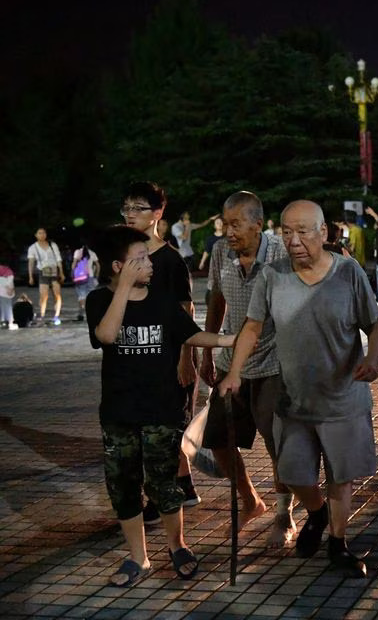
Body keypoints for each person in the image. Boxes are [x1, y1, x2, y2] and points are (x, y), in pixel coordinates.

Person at [220, 200, 378, 578]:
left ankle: (339, 543)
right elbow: (252, 327)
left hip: (342, 397)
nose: (294, 240)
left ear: (323, 233)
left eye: (303, 231)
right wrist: (234, 373)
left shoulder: (348, 273)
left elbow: (374, 324)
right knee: (293, 473)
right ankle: (316, 512)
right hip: (294, 400)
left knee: (341, 477)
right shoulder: (272, 275)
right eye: (286, 232)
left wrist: (373, 359)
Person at [86, 225, 235, 588]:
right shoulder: (99, 301)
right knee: (123, 485)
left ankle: (177, 546)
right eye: (139, 259)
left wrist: (230, 339)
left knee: (165, 484)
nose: (148, 263)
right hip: (119, 412)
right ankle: (139, 557)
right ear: (118, 266)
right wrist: (123, 290)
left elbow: (191, 333)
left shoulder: (163, 299)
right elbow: (105, 336)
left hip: (162, 409)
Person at [199, 191, 296, 548]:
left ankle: (285, 514)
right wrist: (208, 351)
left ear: (258, 224)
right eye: (225, 224)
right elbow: (216, 299)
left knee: (278, 445)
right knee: (218, 441)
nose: (228, 231)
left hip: (273, 363)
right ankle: (249, 499)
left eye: (236, 224)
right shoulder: (223, 253)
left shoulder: (281, 254)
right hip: (229, 363)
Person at [122, 182, 202, 521]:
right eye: (125, 208)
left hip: (169, 358)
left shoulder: (170, 260)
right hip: (137, 356)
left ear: (157, 214)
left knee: (164, 431)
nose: (129, 215)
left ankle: (161, 497)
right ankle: (184, 488)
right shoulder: (124, 257)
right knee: (156, 428)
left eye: (138, 208)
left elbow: (186, 311)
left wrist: (186, 359)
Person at [27, 228, 64, 325]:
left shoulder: (53, 245)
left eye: (43, 233)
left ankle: (56, 316)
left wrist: (61, 272)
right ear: (36, 235)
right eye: (39, 233)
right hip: (42, 272)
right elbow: (31, 262)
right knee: (44, 296)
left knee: (57, 295)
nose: (42, 235)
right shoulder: (33, 248)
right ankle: (42, 315)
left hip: (54, 271)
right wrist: (30, 276)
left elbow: (58, 259)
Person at [71, 243, 100, 322]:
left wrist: (73, 274)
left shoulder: (78, 252)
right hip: (90, 276)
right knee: (91, 296)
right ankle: (92, 314)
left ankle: (81, 314)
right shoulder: (92, 253)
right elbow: (98, 265)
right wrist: (96, 276)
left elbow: (74, 264)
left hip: (80, 277)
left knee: (81, 296)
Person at [0, 262, 14, 329]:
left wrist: (10, 287)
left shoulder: (6, 271)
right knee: (6, 304)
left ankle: (4, 321)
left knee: (5, 304)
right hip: (5, 284)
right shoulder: (7, 271)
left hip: (4, 285)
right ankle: (8, 321)